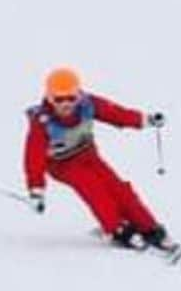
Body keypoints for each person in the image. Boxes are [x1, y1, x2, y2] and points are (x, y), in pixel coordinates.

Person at [24, 67, 168, 248]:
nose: (65, 104)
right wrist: (36, 190)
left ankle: (147, 226)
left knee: (118, 188)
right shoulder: (42, 123)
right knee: (95, 191)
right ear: (49, 98)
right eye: (58, 99)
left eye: (71, 98)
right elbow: (33, 158)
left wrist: (145, 120)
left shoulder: (88, 105)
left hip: (88, 155)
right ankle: (116, 229)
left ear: (79, 95)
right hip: (63, 165)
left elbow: (116, 114)